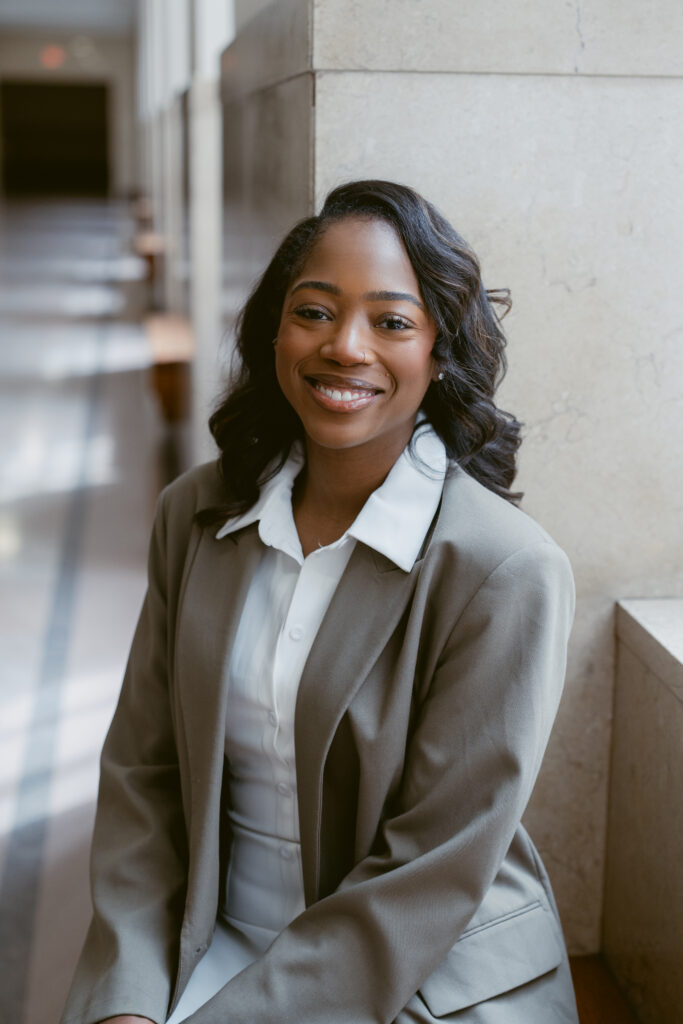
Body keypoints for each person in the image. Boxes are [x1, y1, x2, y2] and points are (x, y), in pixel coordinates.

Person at [61, 180, 579, 1024]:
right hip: (211, 940)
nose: (344, 347)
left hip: (423, 972)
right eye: (313, 311)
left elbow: (430, 872)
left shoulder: (505, 570)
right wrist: (127, 1000)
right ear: (273, 329)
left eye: (391, 321)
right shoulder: (194, 516)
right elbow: (141, 780)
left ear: (439, 351)